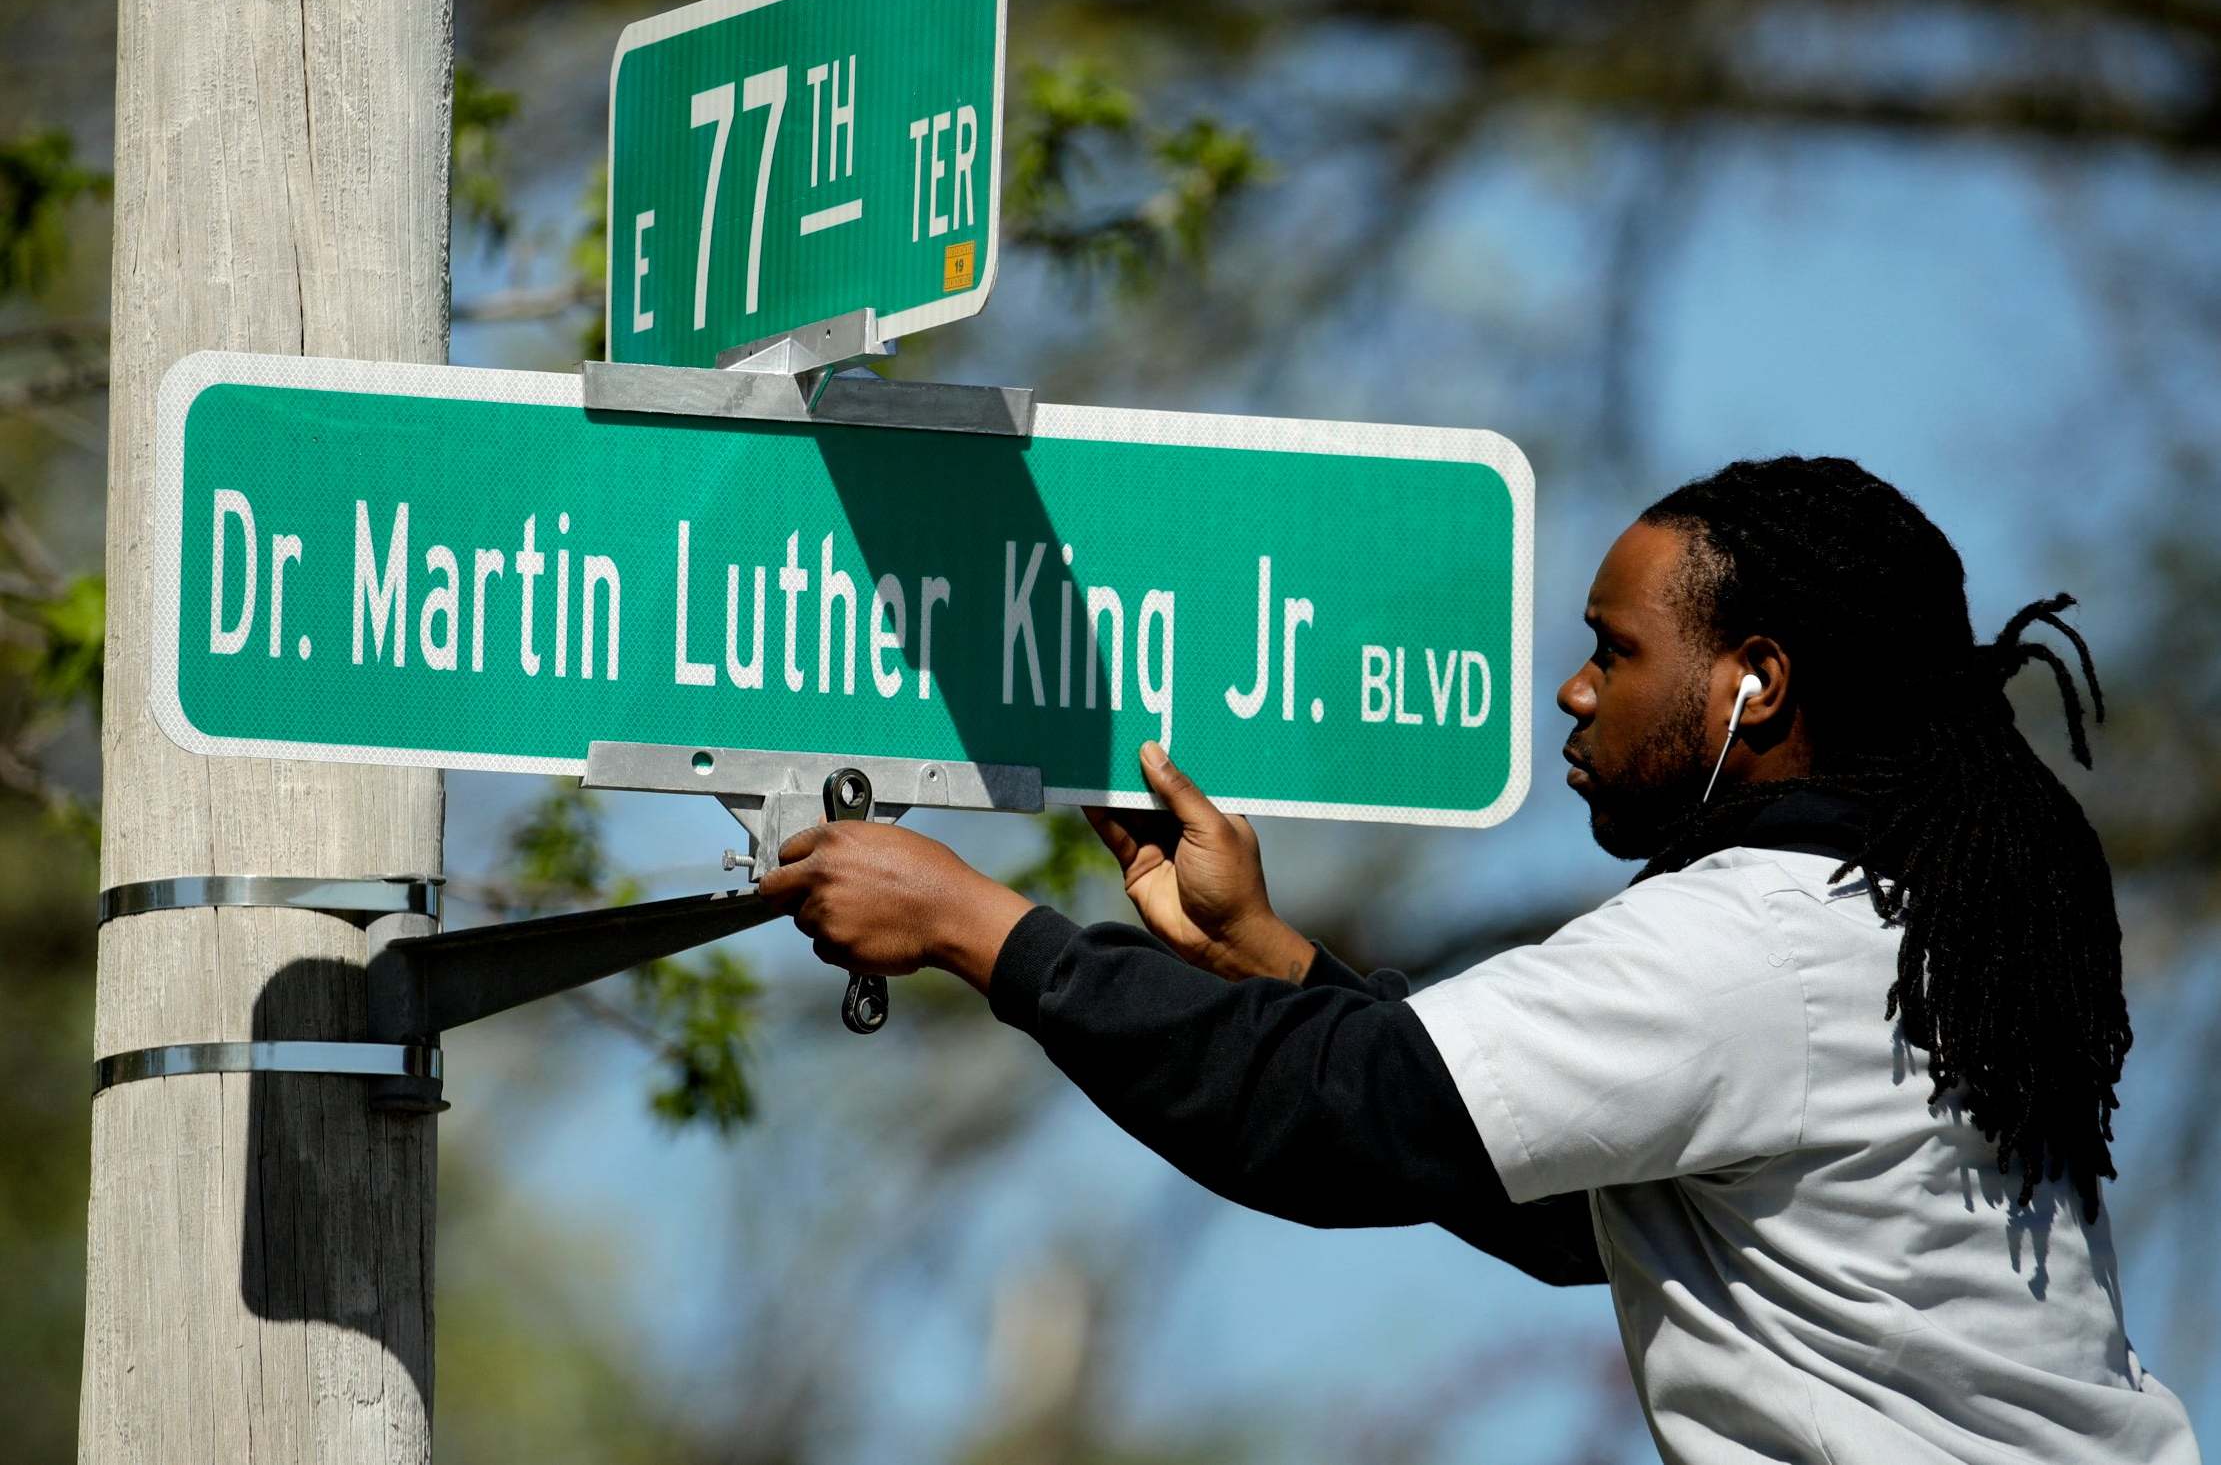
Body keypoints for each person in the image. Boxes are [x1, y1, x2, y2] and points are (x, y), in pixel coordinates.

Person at [758, 455, 2202, 1465]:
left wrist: (981, 929)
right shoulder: (1885, 932)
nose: (1571, 689)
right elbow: (1559, 1200)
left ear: (1752, 679)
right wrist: (1270, 956)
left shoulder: (1752, 941)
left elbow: (1335, 1121)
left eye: (1613, 649)